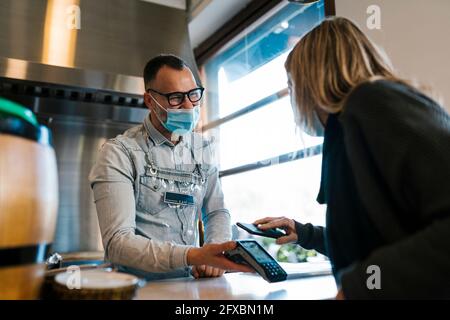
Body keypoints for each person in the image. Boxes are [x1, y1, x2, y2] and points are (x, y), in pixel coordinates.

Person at [254, 17, 450, 299]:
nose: (292, 96)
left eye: (292, 83)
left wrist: (357, 288)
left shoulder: (372, 102)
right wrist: (304, 233)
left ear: (313, 77)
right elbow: (376, 238)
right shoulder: (347, 126)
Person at [89, 54, 251, 281]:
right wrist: (193, 255)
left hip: (191, 287)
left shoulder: (202, 148)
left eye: (194, 95)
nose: (188, 106)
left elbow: (216, 211)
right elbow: (118, 243)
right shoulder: (119, 153)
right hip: (139, 290)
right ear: (149, 101)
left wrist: (214, 251)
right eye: (175, 98)